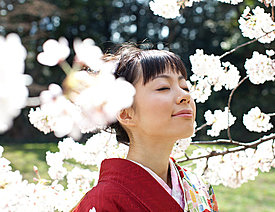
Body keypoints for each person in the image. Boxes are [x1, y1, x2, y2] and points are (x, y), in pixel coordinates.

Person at [72, 44, 219, 212]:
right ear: (126, 113)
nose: (185, 96)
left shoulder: (199, 187)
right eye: (163, 87)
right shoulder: (103, 200)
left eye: (185, 87)